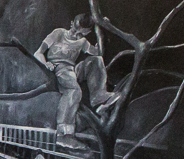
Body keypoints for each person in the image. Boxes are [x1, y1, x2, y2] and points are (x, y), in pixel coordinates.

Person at [34, 13, 121, 151]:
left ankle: (99, 95)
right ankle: (64, 135)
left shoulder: (83, 42)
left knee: (97, 60)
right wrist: (46, 64)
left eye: (81, 31)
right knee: (74, 91)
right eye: (75, 28)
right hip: (58, 68)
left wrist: (104, 30)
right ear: (71, 23)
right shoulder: (58, 33)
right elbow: (38, 53)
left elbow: (98, 52)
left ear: (87, 31)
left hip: (72, 70)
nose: (76, 33)